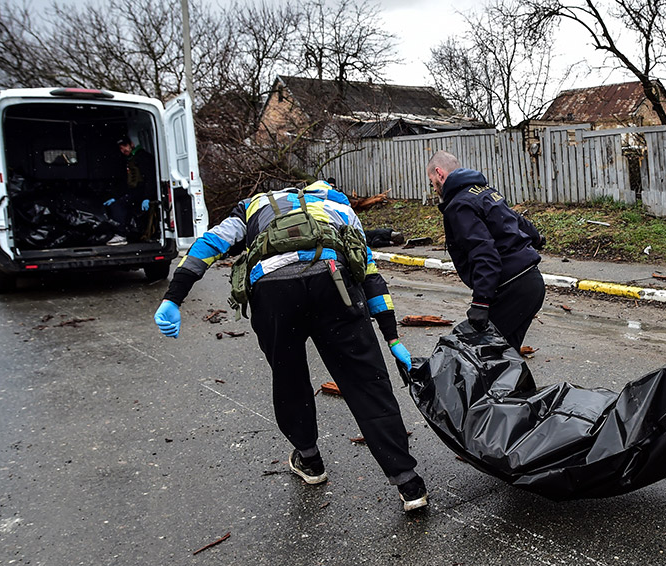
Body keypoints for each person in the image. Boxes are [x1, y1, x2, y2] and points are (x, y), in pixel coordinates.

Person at [151, 179, 429, 512]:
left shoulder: (252, 205)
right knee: (367, 382)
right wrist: (390, 335)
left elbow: (209, 244)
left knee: (290, 378)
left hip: (273, 291)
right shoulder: (337, 205)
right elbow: (369, 272)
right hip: (333, 282)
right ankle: (408, 483)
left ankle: (310, 460)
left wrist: (174, 298)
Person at [426, 150, 546, 350]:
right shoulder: (484, 192)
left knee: (477, 353)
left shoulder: (459, 205)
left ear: (440, 173)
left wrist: (480, 303)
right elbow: (512, 218)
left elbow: (483, 252)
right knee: (505, 356)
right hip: (532, 284)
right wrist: (536, 237)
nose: (434, 188)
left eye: (432, 182)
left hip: (512, 288)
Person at [106, 136, 156, 244]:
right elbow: (126, 182)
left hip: (142, 192)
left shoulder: (143, 157)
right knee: (118, 205)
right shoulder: (129, 160)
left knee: (119, 206)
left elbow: (150, 178)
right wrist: (115, 196)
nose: (123, 150)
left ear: (131, 144)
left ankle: (121, 234)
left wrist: (147, 196)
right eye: (120, 148)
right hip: (135, 192)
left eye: (125, 146)